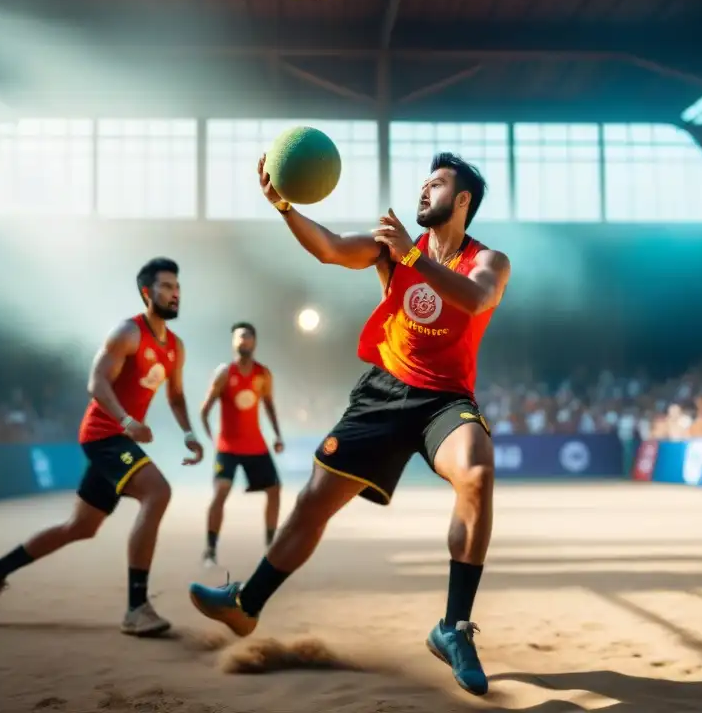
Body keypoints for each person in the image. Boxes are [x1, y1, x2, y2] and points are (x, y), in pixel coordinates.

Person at [189, 153, 510, 696]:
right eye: (423, 183)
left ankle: (453, 628)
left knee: (477, 474)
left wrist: (412, 253)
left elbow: (477, 299)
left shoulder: (488, 259)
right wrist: (285, 207)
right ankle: (247, 604)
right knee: (313, 504)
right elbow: (331, 248)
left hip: (444, 401)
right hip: (383, 392)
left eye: (437, 184)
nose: (423, 191)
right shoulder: (391, 246)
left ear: (462, 201)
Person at [0, 257, 205, 635]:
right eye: (166, 287)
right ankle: (136, 607)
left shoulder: (175, 347)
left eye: (177, 287)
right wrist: (126, 420)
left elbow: (175, 397)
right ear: (147, 292)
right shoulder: (128, 333)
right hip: (103, 433)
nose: (175, 294)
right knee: (157, 493)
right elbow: (96, 382)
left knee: (80, 526)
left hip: (119, 437)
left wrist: (190, 434)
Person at [200, 321, 284, 565]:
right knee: (221, 493)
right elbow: (205, 410)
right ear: (233, 342)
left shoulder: (263, 374)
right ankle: (210, 550)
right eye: (239, 337)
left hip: (255, 446)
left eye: (248, 336)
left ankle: (271, 546)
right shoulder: (225, 373)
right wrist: (208, 437)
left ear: (254, 342)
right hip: (228, 447)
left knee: (275, 491)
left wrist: (278, 435)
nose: (243, 340)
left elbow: (269, 405)